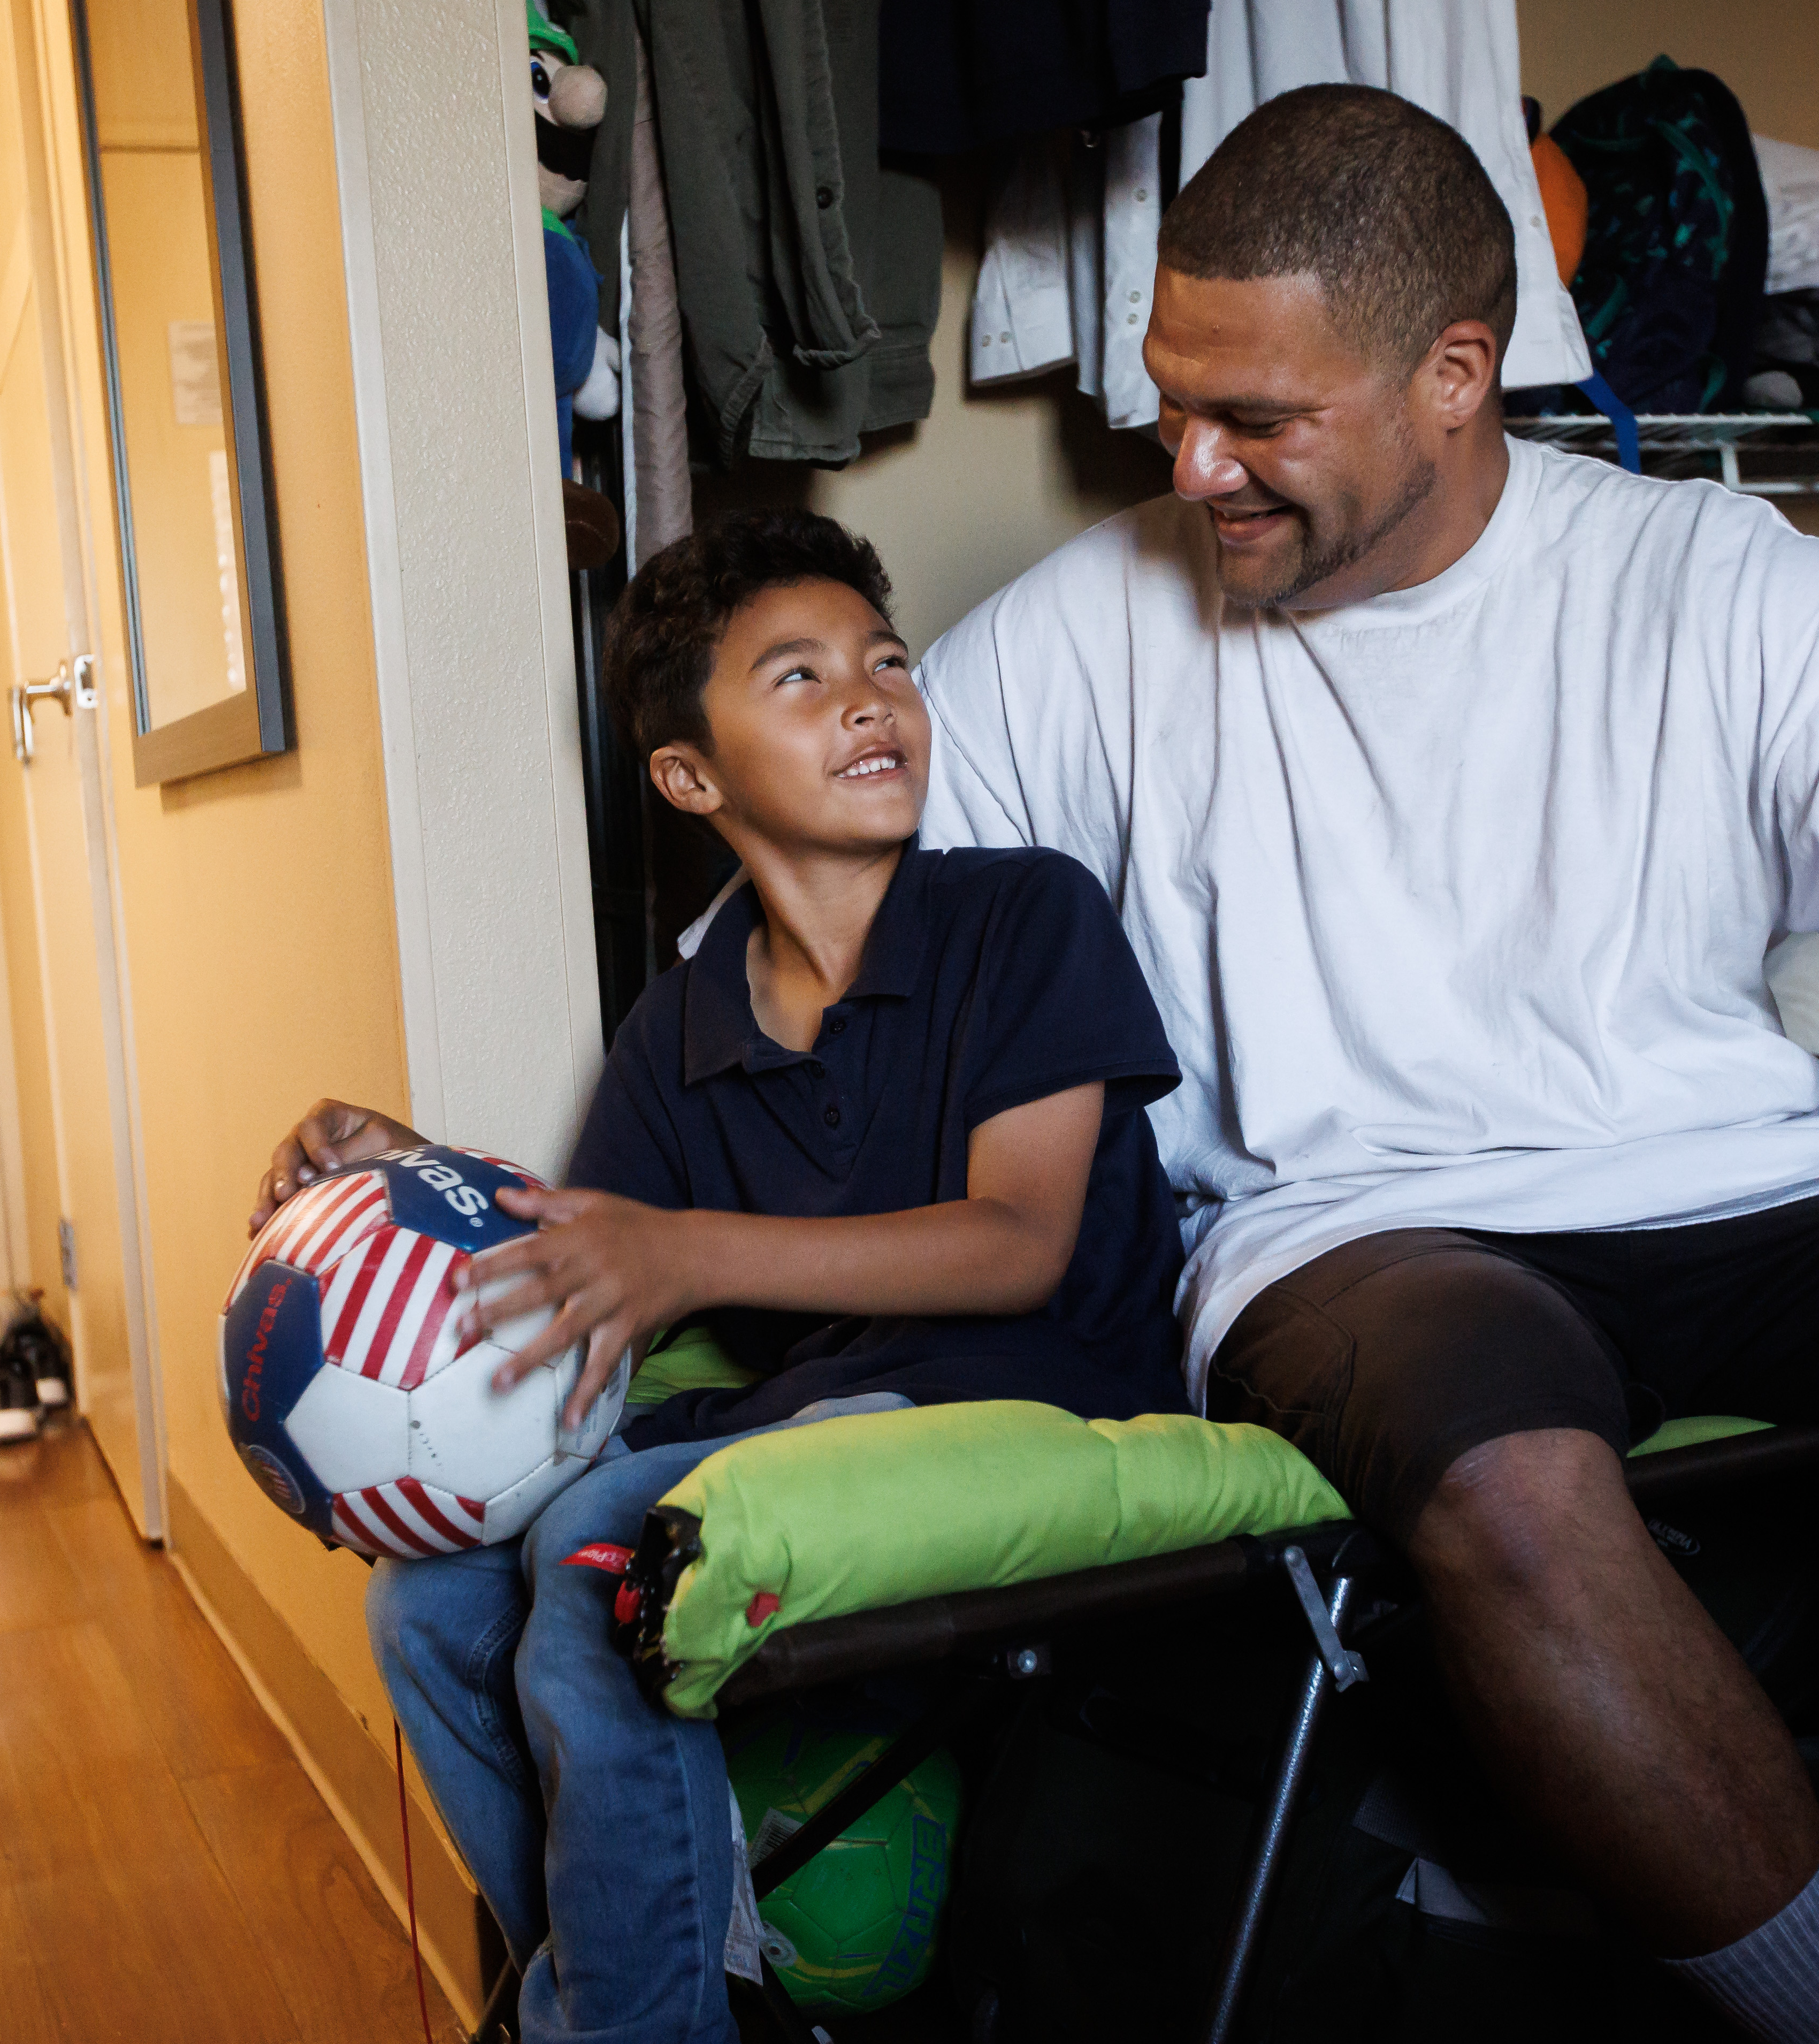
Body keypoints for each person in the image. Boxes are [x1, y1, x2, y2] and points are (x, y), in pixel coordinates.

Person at [911, 84, 1819, 2041]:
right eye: (1172, 401)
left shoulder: (1721, 584)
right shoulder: (1080, 637)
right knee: (1503, 1475)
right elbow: (831, 969)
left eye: (1258, 420)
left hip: (1759, 1180)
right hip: (1367, 1229)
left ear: (1456, 374)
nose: (1193, 465)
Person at [251, 510, 1190, 2044]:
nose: (871, 698)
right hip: (820, 1418)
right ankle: (658, 1985)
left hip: (1051, 1396)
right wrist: (413, 1171)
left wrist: (684, 1248)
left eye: (885, 664)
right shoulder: (679, 1029)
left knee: (607, 1557)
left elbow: (1020, 1242)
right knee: (427, 1607)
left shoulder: (1025, 913)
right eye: (802, 678)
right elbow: (599, 1266)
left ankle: (623, 2026)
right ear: (692, 777)